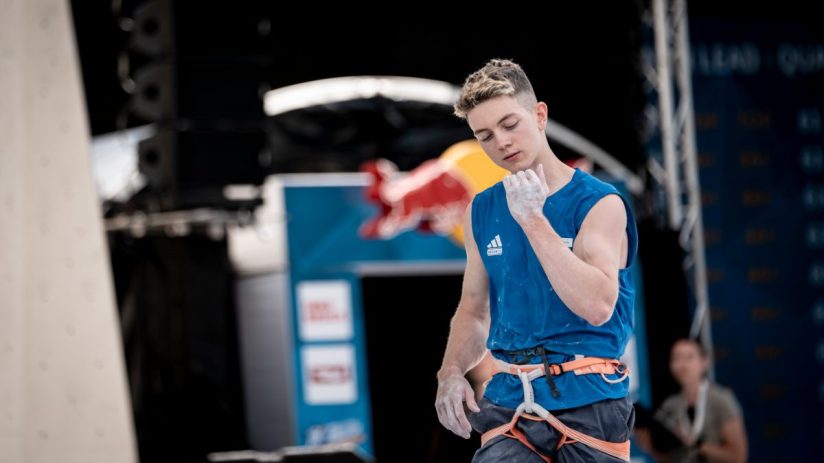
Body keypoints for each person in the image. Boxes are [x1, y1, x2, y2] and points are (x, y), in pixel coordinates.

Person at [435, 58, 639, 462]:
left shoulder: (598, 202)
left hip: (590, 399)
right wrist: (451, 372)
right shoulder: (482, 209)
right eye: (485, 135)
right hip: (511, 398)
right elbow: (474, 312)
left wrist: (532, 220)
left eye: (510, 125)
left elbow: (597, 306)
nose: (502, 143)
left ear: (539, 115)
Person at [634, 338, 748, 463]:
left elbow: (738, 457)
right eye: (676, 358)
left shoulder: (721, 400)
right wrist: (652, 450)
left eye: (689, 357)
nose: (683, 365)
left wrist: (697, 444)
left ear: (704, 362)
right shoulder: (670, 405)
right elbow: (671, 459)